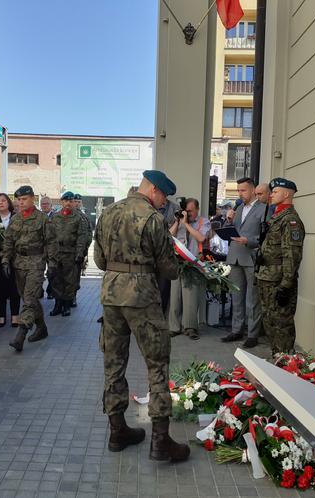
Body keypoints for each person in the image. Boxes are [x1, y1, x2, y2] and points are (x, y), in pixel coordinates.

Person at [94, 169, 189, 462]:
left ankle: (117, 430)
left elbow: (99, 260)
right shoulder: (153, 219)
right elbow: (169, 270)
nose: (165, 203)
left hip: (111, 296)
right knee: (157, 363)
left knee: (113, 362)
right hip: (142, 298)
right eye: (164, 197)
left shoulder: (108, 212)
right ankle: (160, 442)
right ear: (154, 191)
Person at [2, 186, 57, 352]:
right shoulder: (15, 219)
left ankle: (21, 334)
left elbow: (51, 243)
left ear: (33, 199)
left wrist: (52, 264)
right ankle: (41, 328)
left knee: (30, 297)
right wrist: (5, 259)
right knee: (29, 299)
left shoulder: (42, 219)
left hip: (36, 262)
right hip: (19, 263)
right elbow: (8, 241)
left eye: (24, 199)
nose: (21, 202)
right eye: (18, 200)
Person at [255, 178, 304, 355]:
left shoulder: (290, 221)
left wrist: (285, 285)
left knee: (282, 324)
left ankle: (286, 363)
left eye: (275, 192)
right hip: (267, 277)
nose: (272, 194)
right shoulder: (276, 217)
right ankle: (277, 357)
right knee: (270, 322)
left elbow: (292, 255)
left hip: (278, 281)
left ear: (286, 194)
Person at [220, 178, 266, 347]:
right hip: (235, 256)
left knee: (252, 299)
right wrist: (229, 220)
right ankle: (236, 330)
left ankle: (252, 333)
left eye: (243, 190)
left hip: (251, 256)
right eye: (238, 190)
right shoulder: (238, 208)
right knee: (236, 297)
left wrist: (250, 240)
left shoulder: (263, 209)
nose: (240, 193)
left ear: (253, 190)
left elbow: (265, 235)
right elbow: (231, 231)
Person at [168, 198, 210, 340]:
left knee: (190, 297)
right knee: (175, 296)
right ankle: (174, 327)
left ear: (197, 209)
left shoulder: (203, 222)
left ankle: (190, 327)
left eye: (191, 211)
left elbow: (201, 238)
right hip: (177, 262)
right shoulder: (179, 221)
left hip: (193, 262)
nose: (188, 213)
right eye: (187, 211)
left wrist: (186, 224)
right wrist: (178, 222)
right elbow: (168, 236)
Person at [48, 191, 90, 317]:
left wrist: (79, 254)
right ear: (62, 202)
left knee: (69, 281)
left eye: (71, 201)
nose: (68, 203)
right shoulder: (55, 217)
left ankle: (66, 305)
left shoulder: (79, 218)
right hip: (56, 253)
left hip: (70, 253)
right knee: (55, 279)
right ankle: (57, 305)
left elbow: (82, 237)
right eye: (66, 201)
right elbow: (50, 236)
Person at [0, 193, 21, 328]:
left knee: (14, 286)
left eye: (4, 200)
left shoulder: (16, 218)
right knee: (0, 287)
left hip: (14, 258)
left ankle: (15, 315)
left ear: (9, 203)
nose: (1, 203)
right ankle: (1, 315)